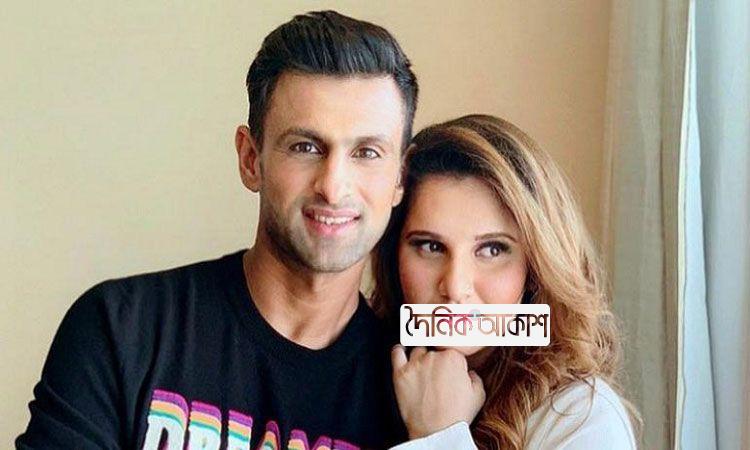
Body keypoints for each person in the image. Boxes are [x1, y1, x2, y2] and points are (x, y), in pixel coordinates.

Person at [17, 10, 416, 449]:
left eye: (367, 153)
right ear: (250, 159)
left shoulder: (413, 398)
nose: (333, 187)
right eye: (305, 147)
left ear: (400, 177)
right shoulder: (122, 329)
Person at [372, 115, 641, 450]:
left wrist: (438, 435)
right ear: (393, 254)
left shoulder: (581, 417)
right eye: (430, 246)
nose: (455, 287)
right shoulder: (359, 371)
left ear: (536, 264)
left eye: (492, 250)